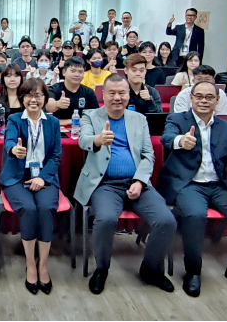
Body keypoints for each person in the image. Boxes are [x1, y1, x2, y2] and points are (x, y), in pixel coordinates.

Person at [74, 74, 176, 295]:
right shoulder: (90, 116)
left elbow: (148, 155)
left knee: (166, 220)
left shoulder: (139, 119)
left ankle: (151, 269)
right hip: (105, 184)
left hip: (137, 183)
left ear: (129, 95)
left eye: (122, 93)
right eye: (112, 93)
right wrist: (98, 140)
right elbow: (83, 140)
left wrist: (139, 181)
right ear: (103, 95)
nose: (117, 97)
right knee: (105, 220)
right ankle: (102, 269)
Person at [158, 81, 227, 298]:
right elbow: (166, 138)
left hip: (218, 185)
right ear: (191, 98)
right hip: (188, 184)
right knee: (195, 215)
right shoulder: (177, 119)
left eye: (209, 97)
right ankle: (193, 272)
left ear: (217, 101)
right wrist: (180, 141)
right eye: (199, 96)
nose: (204, 101)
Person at [1, 78, 61, 294]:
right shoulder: (14, 119)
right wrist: (13, 150)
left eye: (38, 95)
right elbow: (9, 141)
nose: (33, 99)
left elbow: (56, 155)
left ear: (45, 98)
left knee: (45, 208)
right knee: (28, 209)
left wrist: (43, 178)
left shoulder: (53, 122)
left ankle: (43, 264)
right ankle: (30, 263)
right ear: (22, 98)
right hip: (17, 176)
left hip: (44, 176)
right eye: (28, 95)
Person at [46, 56, 99, 123]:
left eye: (80, 72)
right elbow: (48, 106)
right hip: (59, 127)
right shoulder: (55, 88)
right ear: (64, 72)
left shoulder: (89, 92)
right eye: (73, 71)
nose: (77, 75)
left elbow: (95, 115)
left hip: (83, 127)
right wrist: (57, 104)